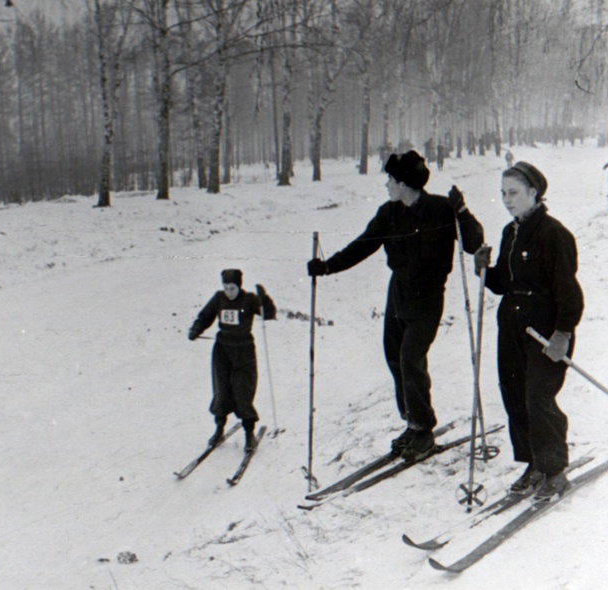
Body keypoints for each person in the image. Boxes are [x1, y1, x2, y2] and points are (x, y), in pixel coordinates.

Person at [307, 150, 484, 461]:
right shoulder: (388, 213)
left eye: (390, 179)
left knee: (410, 358)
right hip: (398, 293)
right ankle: (412, 423)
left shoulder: (440, 209)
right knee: (394, 357)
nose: (386, 184)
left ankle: (424, 429)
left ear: (404, 184)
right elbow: (362, 245)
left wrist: (463, 210)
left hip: (428, 297)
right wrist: (327, 266)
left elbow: (473, 244)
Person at [474, 162, 583, 501]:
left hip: (545, 328)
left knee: (538, 397)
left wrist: (563, 333)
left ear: (533, 193)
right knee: (515, 394)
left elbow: (569, 291)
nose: (507, 200)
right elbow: (504, 284)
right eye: (503, 194)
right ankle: (533, 463)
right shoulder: (510, 232)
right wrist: (484, 270)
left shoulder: (554, 234)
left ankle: (554, 470)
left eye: (514, 193)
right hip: (512, 323)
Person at [188, 269, 276, 453]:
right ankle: (219, 429)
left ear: (239, 286)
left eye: (232, 288)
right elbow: (206, 316)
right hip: (222, 350)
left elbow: (268, 313)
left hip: (243, 351)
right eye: (226, 288)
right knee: (221, 391)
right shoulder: (219, 298)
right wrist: (196, 328)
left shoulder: (249, 299)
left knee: (242, 391)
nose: (229, 292)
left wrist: (264, 299)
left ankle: (249, 433)